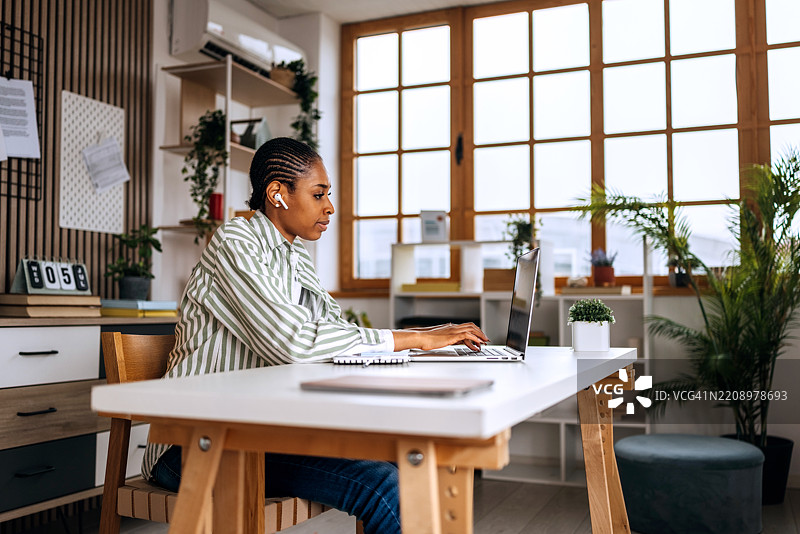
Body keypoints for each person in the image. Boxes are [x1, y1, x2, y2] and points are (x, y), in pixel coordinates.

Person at [142, 137, 488, 534]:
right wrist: (415, 338)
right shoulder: (235, 242)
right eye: (318, 194)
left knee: (409, 462)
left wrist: (422, 341)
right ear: (278, 195)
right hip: (192, 444)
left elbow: (335, 332)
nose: (330, 207)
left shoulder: (295, 256)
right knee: (384, 485)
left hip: (254, 432)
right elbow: (295, 342)